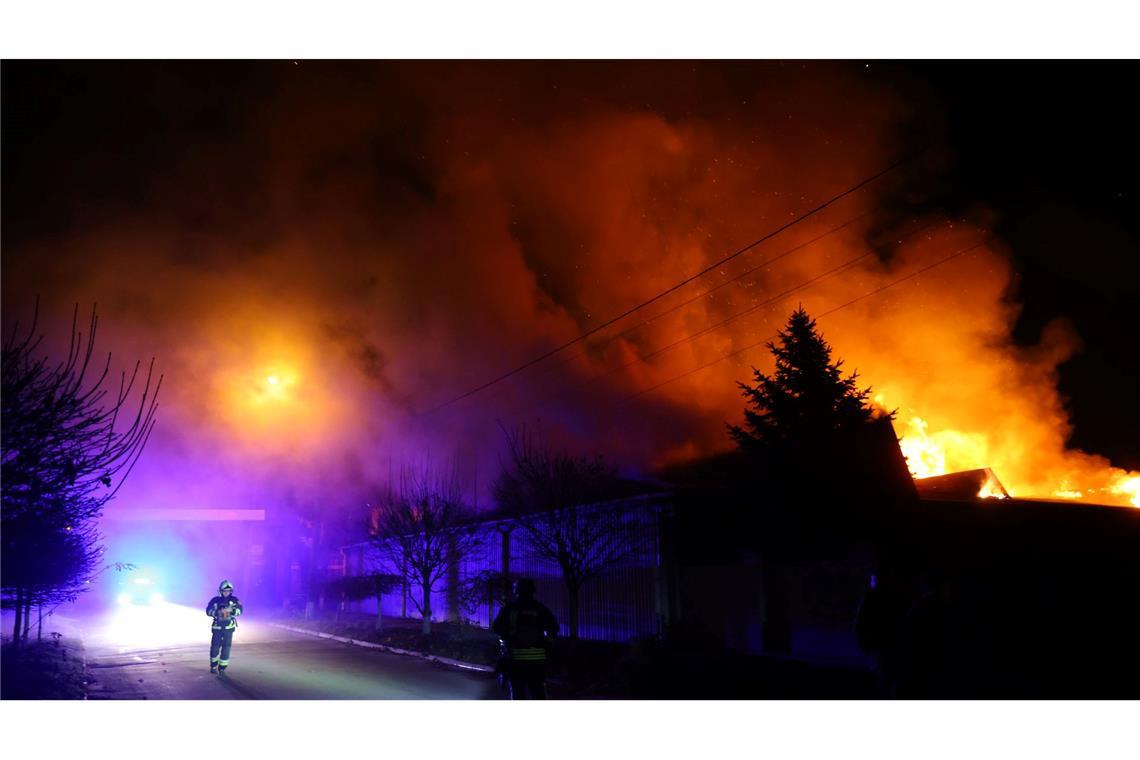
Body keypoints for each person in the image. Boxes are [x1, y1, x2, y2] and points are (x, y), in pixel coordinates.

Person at [492, 578, 558, 699]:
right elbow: (554, 629)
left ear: (516, 591)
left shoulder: (509, 608)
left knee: (517, 693)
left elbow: (496, 628)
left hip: (515, 659)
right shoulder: (540, 608)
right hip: (538, 661)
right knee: (538, 692)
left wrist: (506, 637)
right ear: (533, 591)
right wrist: (547, 642)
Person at [206, 580, 243, 674]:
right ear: (221, 591)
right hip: (217, 628)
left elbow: (240, 610)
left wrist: (232, 610)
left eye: (228, 591)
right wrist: (217, 612)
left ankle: (222, 667)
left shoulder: (234, 600)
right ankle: (213, 666)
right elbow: (208, 611)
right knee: (215, 647)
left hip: (228, 629)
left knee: (226, 648)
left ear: (231, 591)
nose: (226, 592)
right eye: (224, 591)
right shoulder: (215, 600)